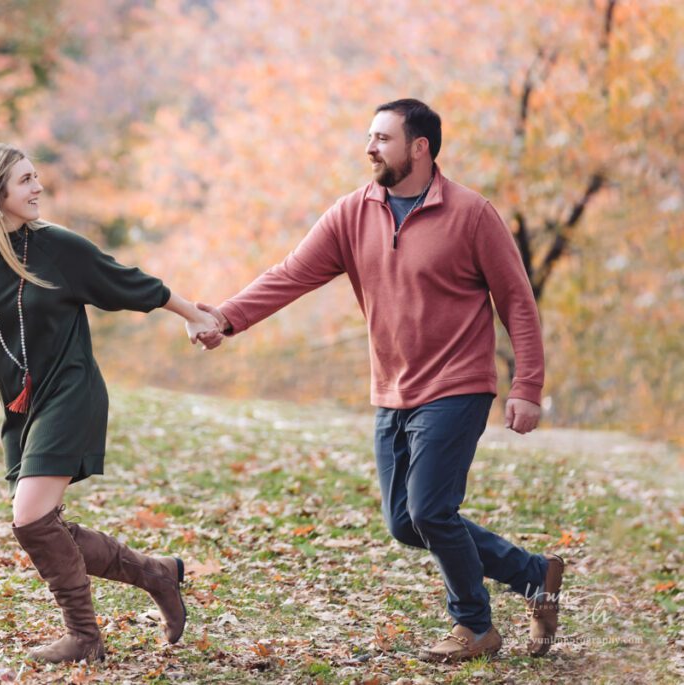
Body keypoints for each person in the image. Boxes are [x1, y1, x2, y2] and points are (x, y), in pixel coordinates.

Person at [193, 99, 565, 662]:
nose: (369, 148)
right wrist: (226, 316)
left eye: (382, 138)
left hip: (458, 384)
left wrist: (527, 387)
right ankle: (533, 573)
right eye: (369, 137)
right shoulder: (353, 212)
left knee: (431, 511)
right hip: (392, 389)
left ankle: (475, 627)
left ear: (420, 147)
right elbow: (291, 274)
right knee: (405, 523)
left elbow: (517, 301)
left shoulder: (471, 214)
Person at [0, 143, 216, 663]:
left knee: (30, 518)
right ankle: (156, 574)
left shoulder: (56, 246)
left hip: (71, 391)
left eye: (36, 178)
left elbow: (128, 282)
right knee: (42, 526)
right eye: (26, 180)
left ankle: (84, 637)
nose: (38, 188)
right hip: (21, 408)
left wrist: (192, 313)